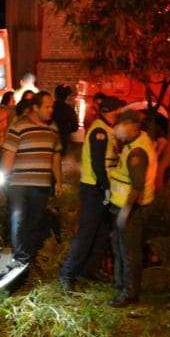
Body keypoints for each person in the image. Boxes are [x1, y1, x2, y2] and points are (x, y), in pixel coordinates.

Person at [59, 95, 123, 290]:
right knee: (87, 233)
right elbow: (97, 164)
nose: (118, 115)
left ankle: (90, 270)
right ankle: (67, 273)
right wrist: (105, 189)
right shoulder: (99, 132)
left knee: (102, 233)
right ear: (106, 112)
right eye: (115, 112)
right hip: (94, 189)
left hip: (103, 188)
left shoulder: (108, 129)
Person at [1, 91, 63, 266]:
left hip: (41, 184)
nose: (51, 110)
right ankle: (20, 259)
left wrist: (58, 180)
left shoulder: (53, 129)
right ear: (36, 107)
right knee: (18, 219)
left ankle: (29, 255)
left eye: (52, 107)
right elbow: (9, 154)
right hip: (19, 183)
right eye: (47, 106)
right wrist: (4, 176)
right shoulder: (19, 126)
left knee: (34, 221)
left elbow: (55, 156)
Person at [106, 109, 157, 307]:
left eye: (120, 125)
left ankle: (129, 294)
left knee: (129, 253)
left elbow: (137, 187)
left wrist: (125, 212)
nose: (116, 129)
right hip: (120, 206)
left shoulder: (137, 152)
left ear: (133, 126)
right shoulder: (132, 143)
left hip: (131, 210)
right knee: (120, 249)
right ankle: (121, 285)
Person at [52, 84, 79, 156]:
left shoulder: (49, 107)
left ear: (55, 95)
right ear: (67, 96)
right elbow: (75, 127)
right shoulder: (69, 110)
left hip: (48, 140)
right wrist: (65, 130)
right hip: (63, 141)